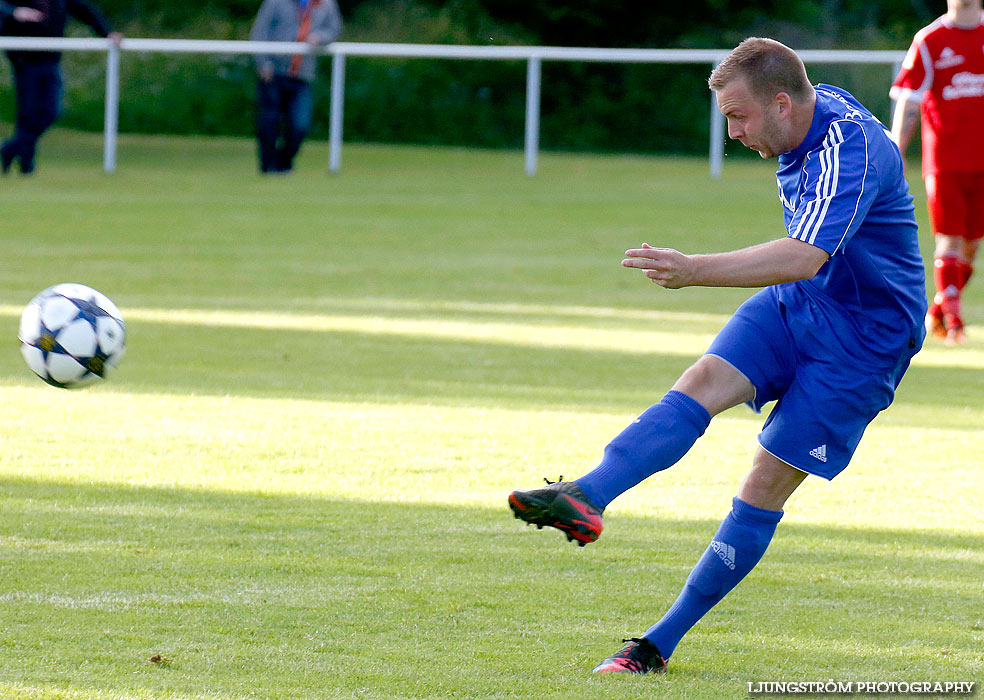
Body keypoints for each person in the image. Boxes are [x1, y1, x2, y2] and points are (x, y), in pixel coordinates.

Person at [508, 37, 927, 674]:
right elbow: (806, 268)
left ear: (782, 104)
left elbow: (803, 254)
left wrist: (693, 268)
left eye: (738, 117)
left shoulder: (855, 152)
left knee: (762, 482)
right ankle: (586, 495)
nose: (732, 132)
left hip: (865, 343)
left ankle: (655, 645)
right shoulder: (812, 116)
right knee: (703, 380)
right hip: (802, 305)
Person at [891, 0, 984, 346]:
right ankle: (955, 323)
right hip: (945, 163)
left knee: (972, 246)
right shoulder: (930, 39)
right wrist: (895, 154)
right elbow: (909, 101)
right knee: (949, 240)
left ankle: (938, 310)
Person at [0, 0, 119, 175]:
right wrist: (15, 12)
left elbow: (84, 10)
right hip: (24, 60)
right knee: (28, 112)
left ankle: (10, 149)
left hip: (51, 60)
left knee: (51, 111)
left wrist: (107, 32)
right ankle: (26, 164)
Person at [249, 0, 342, 174]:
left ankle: (283, 162)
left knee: (300, 124)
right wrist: (263, 62)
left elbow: (334, 30)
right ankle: (268, 166)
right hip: (274, 72)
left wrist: (319, 37)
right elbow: (260, 32)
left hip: (302, 75)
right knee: (269, 122)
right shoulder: (275, 3)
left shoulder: (325, 4)